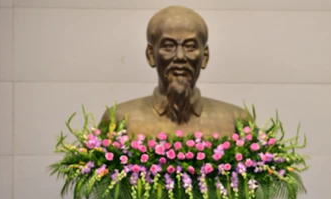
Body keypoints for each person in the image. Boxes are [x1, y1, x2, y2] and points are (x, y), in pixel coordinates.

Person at [100, 5, 248, 138]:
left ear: (205, 56)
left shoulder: (236, 120)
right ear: (151, 55)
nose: (180, 57)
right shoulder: (119, 119)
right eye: (168, 46)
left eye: (190, 46)